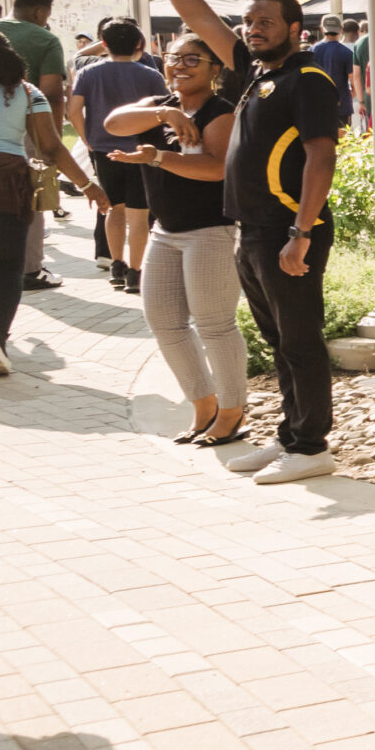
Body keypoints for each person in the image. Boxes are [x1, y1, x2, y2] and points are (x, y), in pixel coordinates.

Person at [112, 0, 343, 485]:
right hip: (253, 228)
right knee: (277, 340)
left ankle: (312, 446)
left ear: (295, 29)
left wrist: (302, 231)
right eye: (249, 22)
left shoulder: (306, 79)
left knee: (300, 339)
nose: (252, 29)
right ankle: (290, 435)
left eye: (265, 22)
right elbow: (200, 18)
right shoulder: (257, 73)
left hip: (288, 229)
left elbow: (321, 159)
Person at [102, 35, 245, 446]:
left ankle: (233, 411)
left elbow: (217, 168)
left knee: (216, 326)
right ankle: (204, 406)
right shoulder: (161, 107)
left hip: (211, 231)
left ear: (215, 70)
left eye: (192, 60)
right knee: (164, 322)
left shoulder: (220, 113)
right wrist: (165, 112)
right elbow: (113, 124)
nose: (180, 66)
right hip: (165, 233)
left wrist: (159, 157)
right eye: (173, 58)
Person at [0, 24, 108, 374]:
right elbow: (50, 147)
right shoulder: (25, 92)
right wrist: (87, 185)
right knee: (3, 267)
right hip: (7, 185)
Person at [69, 18, 169, 293]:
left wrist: (86, 139)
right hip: (141, 150)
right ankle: (135, 272)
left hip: (103, 149)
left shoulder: (88, 73)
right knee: (139, 215)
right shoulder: (151, 75)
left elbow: (74, 109)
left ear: (103, 44)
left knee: (113, 208)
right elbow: (165, 113)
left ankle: (116, 265)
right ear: (138, 43)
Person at [0, 0, 73, 292]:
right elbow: (52, 93)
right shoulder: (45, 39)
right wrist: (49, 143)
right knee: (32, 196)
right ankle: (30, 270)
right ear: (41, 11)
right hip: (24, 127)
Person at [306, 15, 357, 134]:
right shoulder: (346, 52)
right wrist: (353, 94)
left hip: (316, 106)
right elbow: (352, 79)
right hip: (341, 105)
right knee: (343, 145)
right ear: (341, 29)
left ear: (321, 29)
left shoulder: (311, 51)